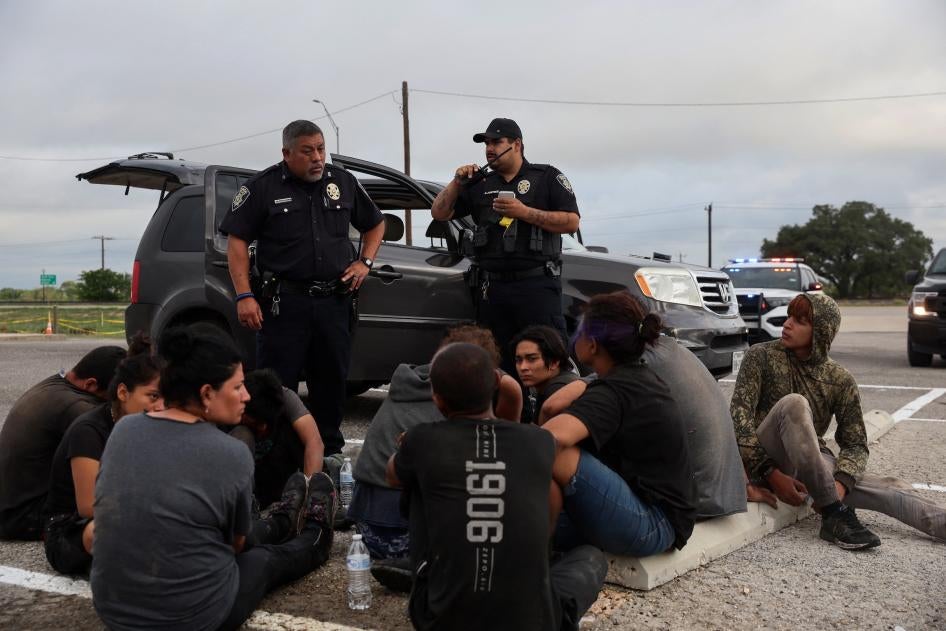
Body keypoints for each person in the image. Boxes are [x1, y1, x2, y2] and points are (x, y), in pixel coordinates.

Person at [91, 323, 336, 630]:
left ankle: (282, 521)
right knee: (261, 560)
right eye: (237, 387)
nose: (246, 395)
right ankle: (315, 534)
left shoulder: (124, 430)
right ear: (207, 393)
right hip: (194, 617)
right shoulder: (231, 454)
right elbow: (236, 545)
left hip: (113, 608)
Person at [386, 342, 606, 631]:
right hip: (534, 622)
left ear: (437, 398)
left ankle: (429, 572)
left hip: (439, 619)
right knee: (592, 558)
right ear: (493, 387)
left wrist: (409, 450)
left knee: (413, 479)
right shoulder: (538, 442)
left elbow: (392, 475)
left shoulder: (422, 440)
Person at [219, 119, 385, 457]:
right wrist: (244, 295)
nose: (318, 158)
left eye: (321, 149)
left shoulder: (343, 182)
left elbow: (375, 223)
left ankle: (329, 457)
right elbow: (237, 243)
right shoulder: (261, 188)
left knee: (331, 384)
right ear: (287, 153)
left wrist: (364, 263)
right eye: (308, 151)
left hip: (333, 304)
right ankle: (277, 457)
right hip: (284, 305)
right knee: (277, 388)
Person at [732, 293, 946, 549]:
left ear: (821, 332)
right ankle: (834, 514)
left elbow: (855, 445)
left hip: (809, 462)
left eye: (800, 321)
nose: (787, 324)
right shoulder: (760, 356)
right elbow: (739, 420)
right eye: (789, 316)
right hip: (764, 457)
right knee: (794, 403)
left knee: (892, 489)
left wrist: (841, 483)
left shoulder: (840, 380)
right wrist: (770, 472)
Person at [350, 325, 521, 570]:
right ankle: (426, 567)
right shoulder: (457, 392)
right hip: (407, 538)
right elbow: (500, 449)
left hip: (367, 532)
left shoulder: (411, 381)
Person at [543, 291, 696, 556]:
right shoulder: (636, 377)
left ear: (592, 344)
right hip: (656, 515)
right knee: (516, 523)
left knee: (555, 453)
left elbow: (550, 439)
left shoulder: (616, 389)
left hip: (654, 523)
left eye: (579, 329)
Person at [540, 334, 747, 520]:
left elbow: (552, 406)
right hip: (719, 493)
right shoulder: (672, 349)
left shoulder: (637, 366)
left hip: (691, 506)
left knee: (559, 453)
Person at [431, 117, 580, 372]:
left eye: (497, 142)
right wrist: (457, 182)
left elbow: (571, 222)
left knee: (547, 361)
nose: (489, 148)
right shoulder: (481, 184)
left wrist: (525, 212)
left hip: (536, 286)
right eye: (486, 143)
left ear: (517, 144)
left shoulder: (546, 177)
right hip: (493, 289)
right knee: (498, 363)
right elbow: (439, 212)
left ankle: (549, 412)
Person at [42, 338, 164, 576]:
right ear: (122, 392)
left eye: (165, 398)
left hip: (128, 517)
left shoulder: (149, 425)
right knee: (105, 529)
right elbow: (89, 506)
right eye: (152, 396)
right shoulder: (89, 430)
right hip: (71, 529)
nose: (161, 406)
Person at [0, 344, 126, 540]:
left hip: (10, 506)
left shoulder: (53, 385)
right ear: (91, 384)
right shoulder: (79, 409)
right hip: (25, 516)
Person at [237, 368, 325, 508]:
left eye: (266, 422)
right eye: (257, 423)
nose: (263, 428)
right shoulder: (230, 402)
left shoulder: (283, 396)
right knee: (241, 434)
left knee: (300, 431)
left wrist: (309, 498)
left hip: (277, 476)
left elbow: (314, 442)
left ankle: (302, 499)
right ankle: (245, 505)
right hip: (247, 481)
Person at [512, 325, 580, 424]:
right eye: (518, 360)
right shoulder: (547, 386)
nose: (523, 367)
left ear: (554, 362)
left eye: (532, 359)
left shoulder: (558, 389)